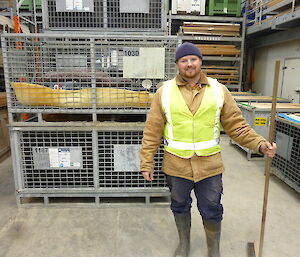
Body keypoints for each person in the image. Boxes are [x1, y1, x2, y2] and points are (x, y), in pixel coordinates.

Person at [139, 42, 277, 257]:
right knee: (179, 205)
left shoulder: (218, 90)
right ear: (177, 64)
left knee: (212, 207)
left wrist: (259, 143)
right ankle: (184, 244)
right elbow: (152, 131)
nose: (189, 64)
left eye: (193, 59)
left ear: (200, 61)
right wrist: (146, 162)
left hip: (209, 166)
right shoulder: (163, 92)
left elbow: (236, 125)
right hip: (176, 165)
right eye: (184, 60)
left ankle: (214, 249)